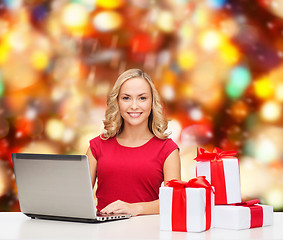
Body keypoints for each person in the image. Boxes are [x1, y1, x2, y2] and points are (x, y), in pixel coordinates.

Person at [86, 68, 181, 216]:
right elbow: (78, 197)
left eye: (142, 98)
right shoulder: (97, 146)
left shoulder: (167, 149)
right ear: (117, 102)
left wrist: (134, 208)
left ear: (152, 102)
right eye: (126, 98)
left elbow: (175, 200)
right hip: (103, 233)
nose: (134, 106)